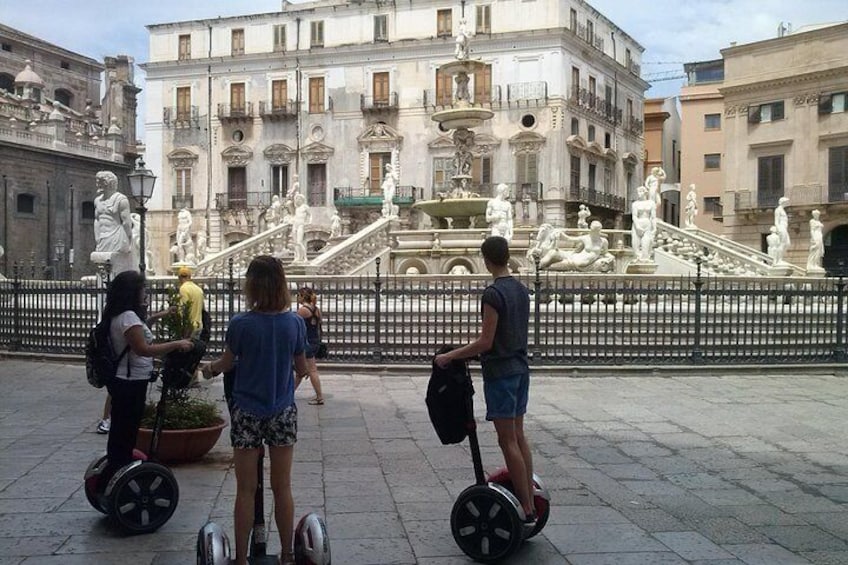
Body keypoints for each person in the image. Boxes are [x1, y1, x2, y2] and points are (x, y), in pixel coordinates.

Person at [201, 256, 308, 565]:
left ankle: (241, 559)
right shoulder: (294, 323)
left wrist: (209, 370)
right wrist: (287, 388)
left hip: (247, 411)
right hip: (282, 412)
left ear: (251, 285)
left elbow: (226, 363)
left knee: (246, 490)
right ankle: (288, 554)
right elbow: (301, 368)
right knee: (282, 486)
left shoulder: (241, 324)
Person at [434, 236, 536, 526]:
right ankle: (528, 495)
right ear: (507, 257)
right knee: (519, 435)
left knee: (507, 441)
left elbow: (486, 341)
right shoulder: (521, 290)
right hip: (520, 369)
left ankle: (526, 509)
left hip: (501, 373)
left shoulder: (493, 294)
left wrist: (450, 356)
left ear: (486, 260)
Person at [99, 271, 193, 483]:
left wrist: (160, 315)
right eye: (143, 289)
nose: (145, 293)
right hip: (130, 382)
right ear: (133, 292)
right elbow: (142, 348)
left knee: (121, 430)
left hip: (124, 379)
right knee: (126, 431)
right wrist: (177, 344)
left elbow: (140, 335)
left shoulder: (118, 315)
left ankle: (116, 468)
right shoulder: (128, 317)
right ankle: (120, 471)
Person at [93, 170, 134, 274]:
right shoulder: (97, 200)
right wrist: (97, 238)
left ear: (108, 183)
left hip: (116, 236)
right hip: (102, 238)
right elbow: (97, 221)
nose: (97, 184)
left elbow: (126, 222)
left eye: (99, 182)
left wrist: (129, 240)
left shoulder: (121, 199)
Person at [295, 286, 325, 405]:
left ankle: (319, 397)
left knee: (311, 371)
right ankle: (287, 394)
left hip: (306, 343)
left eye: (298, 295)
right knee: (300, 372)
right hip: (315, 341)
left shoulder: (302, 310)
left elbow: (295, 325)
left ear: (302, 296)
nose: (297, 298)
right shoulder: (316, 309)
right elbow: (319, 326)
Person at [177, 266, 204, 338]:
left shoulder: (183, 288)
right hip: (199, 325)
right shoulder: (198, 289)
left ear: (179, 277)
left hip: (189, 327)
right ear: (190, 276)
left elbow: (183, 309)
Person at [631, 185, 656, 262]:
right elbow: (634, 216)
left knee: (646, 243)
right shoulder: (635, 204)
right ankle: (637, 258)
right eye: (638, 192)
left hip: (647, 224)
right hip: (637, 224)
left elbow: (653, 217)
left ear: (645, 193)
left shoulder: (651, 203)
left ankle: (645, 259)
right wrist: (637, 226)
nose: (639, 194)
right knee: (635, 244)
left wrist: (654, 227)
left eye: (640, 192)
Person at [291, 194, 311, 263]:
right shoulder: (297, 208)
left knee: (299, 242)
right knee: (295, 243)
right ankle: (297, 257)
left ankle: (305, 258)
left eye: (298, 199)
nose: (297, 200)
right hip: (295, 225)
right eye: (296, 199)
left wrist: (309, 222)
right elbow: (296, 216)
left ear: (302, 199)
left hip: (301, 225)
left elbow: (310, 215)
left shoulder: (305, 207)